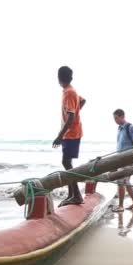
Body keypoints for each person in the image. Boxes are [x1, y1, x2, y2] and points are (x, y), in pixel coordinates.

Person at [52, 66, 86, 206]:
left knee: (67, 163)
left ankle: (76, 195)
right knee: (67, 162)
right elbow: (83, 101)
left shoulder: (69, 93)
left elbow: (71, 117)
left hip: (71, 133)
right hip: (71, 132)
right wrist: (77, 111)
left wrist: (60, 136)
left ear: (58, 79)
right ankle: (72, 194)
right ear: (70, 78)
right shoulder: (70, 91)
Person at [112, 109, 133, 212]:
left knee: (120, 181)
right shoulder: (119, 129)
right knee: (126, 182)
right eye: (114, 118)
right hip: (120, 159)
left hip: (128, 159)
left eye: (116, 118)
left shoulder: (130, 128)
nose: (115, 120)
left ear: (122, 116)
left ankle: (120, 206)